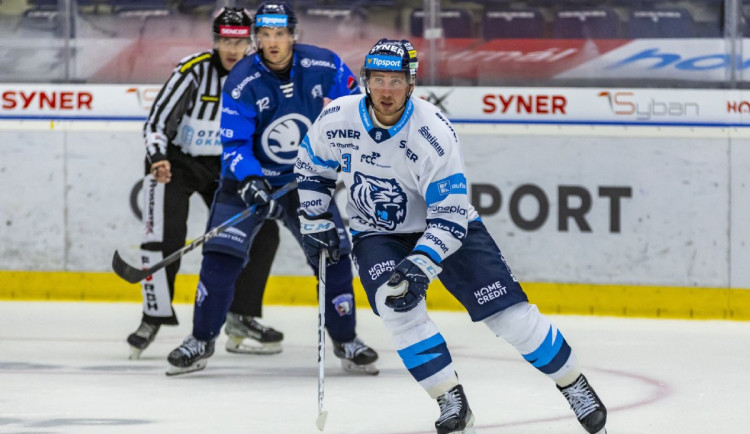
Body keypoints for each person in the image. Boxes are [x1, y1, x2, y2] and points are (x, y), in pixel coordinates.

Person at [294, 38, 609, 434]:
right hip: (377, 232)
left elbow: (450, 213)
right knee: (397, 308)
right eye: (378, 79)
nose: (386, 90)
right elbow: (311, 166)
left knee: (509, 316)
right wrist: (315, 218)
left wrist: (422, 262)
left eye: (396, 80)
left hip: (446, 228)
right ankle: (450, 399)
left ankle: (574, 384)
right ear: (365, 81)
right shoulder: (337, 118)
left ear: (411, 83)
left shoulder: (433, 132)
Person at [165, 1, 379, 377]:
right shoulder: (241, 79)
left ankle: (346, 339)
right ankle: (200, 339)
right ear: (256, 38)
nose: (273, 42)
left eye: (280, 34)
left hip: (305, 180)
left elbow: (360, 105)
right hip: (249, 182)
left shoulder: (325, 64)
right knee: (221, 256)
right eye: (264, 35)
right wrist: (250, 179)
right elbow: (235, 143)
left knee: (333, 256)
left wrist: (353, 141)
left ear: (293, 35)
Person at [127, 7, 284, 360]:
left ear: (251, 43)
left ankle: (241, 316)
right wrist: (158, 157)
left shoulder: (262, 76)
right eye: (225, 41)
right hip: (178, 163)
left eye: (239, 42)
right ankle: (153, 316)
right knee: (166, 237)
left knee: (263, 233)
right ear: (215, 41)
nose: (232, 49)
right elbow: (156, 124)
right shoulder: (193, 71)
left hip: (228, 166)